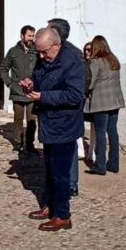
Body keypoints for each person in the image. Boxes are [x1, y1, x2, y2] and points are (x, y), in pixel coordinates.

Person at [24, 27, 85, 231]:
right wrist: (30, 84)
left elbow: (75, 95)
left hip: (65, 124)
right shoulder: (45, 59)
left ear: (56, 45)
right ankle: (49, 205)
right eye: (38, 52)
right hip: (48, 122)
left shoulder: (73, 63)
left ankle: (62, 215)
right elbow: (39, 77)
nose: (41, 56)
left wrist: (43, 97)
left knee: (60, 173)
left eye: (44, 52)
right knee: (49, 169)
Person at [46, 18, 86, 197]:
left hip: (67, 109)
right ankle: (61, 185)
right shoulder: (52, 52)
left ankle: (70, 185)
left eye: (48, 30)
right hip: (53, 109)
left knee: (69, 148)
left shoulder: (71, 55)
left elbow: (83, 82)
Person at [84, 36, 125, 175]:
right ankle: (114, 163)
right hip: (115, 101)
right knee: (112, 132)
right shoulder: (114, 60)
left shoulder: (96, 62)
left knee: (100, 133)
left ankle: (100, 165)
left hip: (101, 102)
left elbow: (90, 82)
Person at [0, 25, 38, 153]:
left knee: (32, 120)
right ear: (22, 36)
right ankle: (18, 143)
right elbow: (3, 69)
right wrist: (10, 83)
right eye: (29, 36)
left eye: (33, 36)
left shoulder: (37, 51)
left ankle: (30, 144)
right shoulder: (13, 52)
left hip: (32, 91)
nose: (31, 38)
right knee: (18, 119)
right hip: (17, 91)